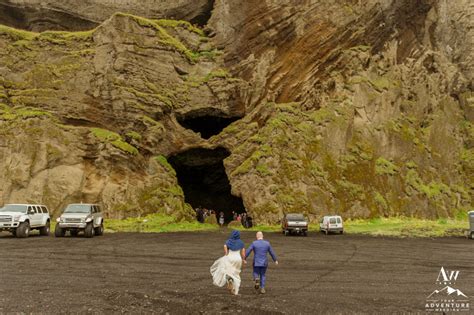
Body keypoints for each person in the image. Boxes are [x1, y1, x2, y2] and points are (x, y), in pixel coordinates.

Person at [210, 230, 246, 295]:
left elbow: (225, 247)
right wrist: (243, 259)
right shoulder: (241, 242)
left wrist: (226, 253)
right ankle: (234, 290)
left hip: (230, 257)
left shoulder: (228, 241)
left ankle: (229, 279)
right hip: (238, 258)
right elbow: (243, 253)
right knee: (236, 273)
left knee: (227, 271)